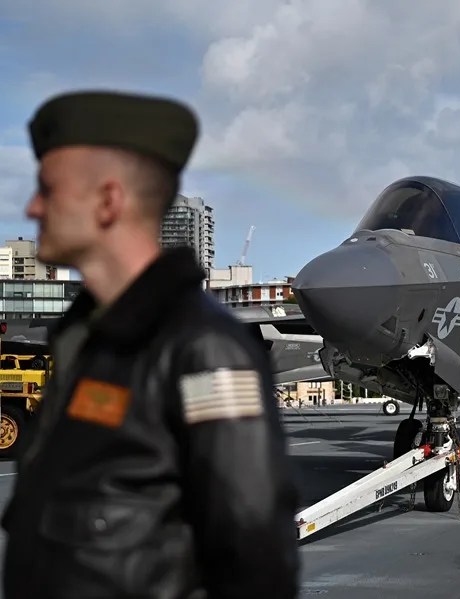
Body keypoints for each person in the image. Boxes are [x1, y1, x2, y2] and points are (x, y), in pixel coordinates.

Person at [1, 90, 300, 598]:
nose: (32, 207)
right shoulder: (85, 340)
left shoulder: (205, 351)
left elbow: (254, 554)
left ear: (109, 200)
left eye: (48, 189)